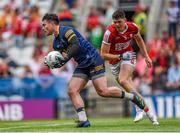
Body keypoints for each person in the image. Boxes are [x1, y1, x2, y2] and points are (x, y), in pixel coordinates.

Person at [42, 13, 155, 128]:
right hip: (82, 64)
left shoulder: (67, 31)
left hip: (93, 59)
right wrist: (58, 62)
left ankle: (132, 97)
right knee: (72, 90)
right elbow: (67, 56)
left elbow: (75, 45)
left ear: (51, 23)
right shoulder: (56, 44)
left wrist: (64, 58)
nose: (43, 28)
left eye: (44, 25)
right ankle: (83, 120)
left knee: (103, 91)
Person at [100, 9, 159, 124]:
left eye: (119, 22)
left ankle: (148, 111)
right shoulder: (109, 32)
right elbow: (103, 54)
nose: (117, 24)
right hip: (115, 60)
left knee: (123, 80)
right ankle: (140, 109)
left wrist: (146, 56)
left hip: (129, 56)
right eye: (115, 22)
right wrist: (120, 56)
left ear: (125, 20)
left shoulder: (133, 27)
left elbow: (139, 40)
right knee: (128, 85)